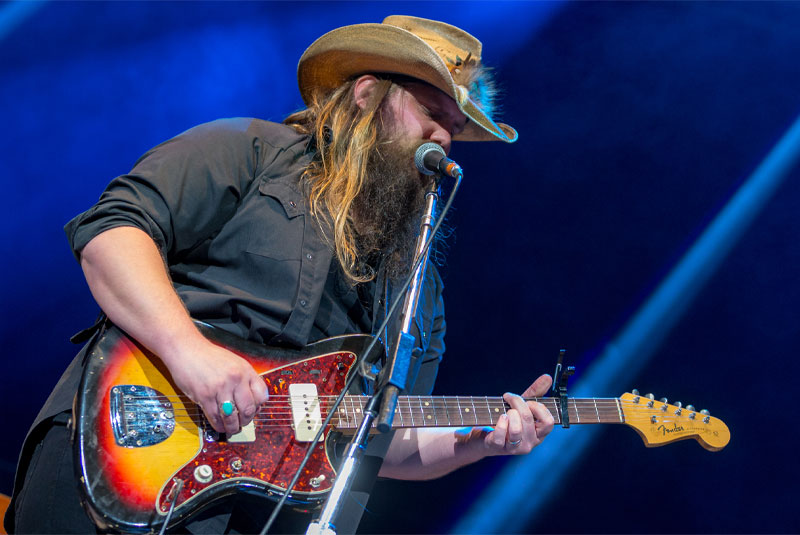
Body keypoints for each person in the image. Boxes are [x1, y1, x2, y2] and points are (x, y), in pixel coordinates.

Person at [6, 15, 554, 534]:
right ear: (366, 95)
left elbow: (384, 434)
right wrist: (189, 352)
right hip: (123, 453)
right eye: (430, 111)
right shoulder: (251, 150)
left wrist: (479, 443)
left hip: (264, 506)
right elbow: (112, 235)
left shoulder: (417, 284)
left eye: (455, 128)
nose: (443, 137)